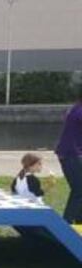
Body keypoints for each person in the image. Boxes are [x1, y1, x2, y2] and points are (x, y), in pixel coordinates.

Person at [55, 86, 82, 224]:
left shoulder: (76, 108)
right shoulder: (79, 111)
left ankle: (78, 220)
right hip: (72, 154)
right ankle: (67, 223)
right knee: (79, 189)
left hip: (68, 153)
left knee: (79, 189)